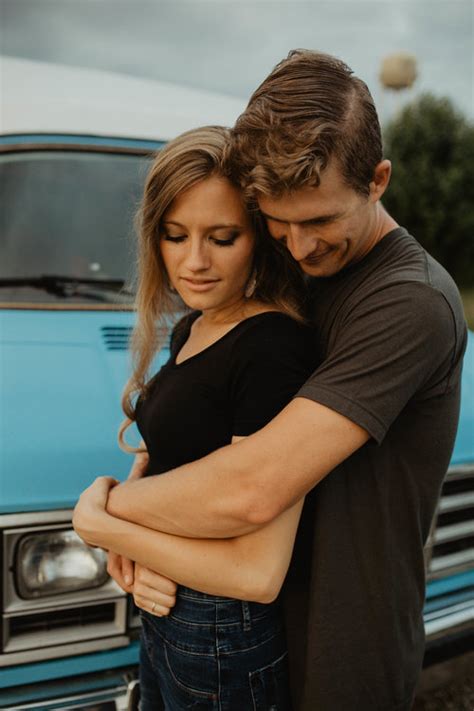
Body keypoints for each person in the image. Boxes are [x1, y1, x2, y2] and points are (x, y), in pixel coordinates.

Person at [76, 51, 467, 710]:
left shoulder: (411, 303)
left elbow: (253, 485)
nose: (299, 244)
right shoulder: (294, 275)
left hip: (339, 657)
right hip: (236, 633)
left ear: (378, 180)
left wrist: (104, 512)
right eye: (276, 223)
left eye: (319, 220)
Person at [73, 125, 319, 710]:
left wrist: (105, 522)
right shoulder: (194, 325)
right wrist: (130, 551)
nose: (195, 262)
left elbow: (257, 574)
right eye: (175, 236)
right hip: (165, 615)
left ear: (259, 237)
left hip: (221, 634)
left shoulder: (272, 348)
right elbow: (166, 454)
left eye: (223, 237)